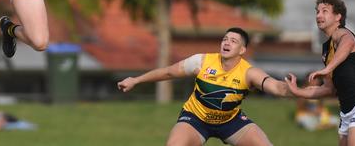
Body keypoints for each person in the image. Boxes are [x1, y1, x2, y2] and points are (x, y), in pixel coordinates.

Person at [117, 27, 290, 146]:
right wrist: (136, 80)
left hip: (231, 121)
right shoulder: (201, 61)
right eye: (225, 39)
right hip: (195, 119)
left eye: (233, 41)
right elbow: (169, 72)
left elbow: (277, 88)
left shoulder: (248, 72)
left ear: (242, 50)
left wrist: (303, 91)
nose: (227, 43)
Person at [286, 0, 355, 146]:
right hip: (346, 111)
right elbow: (329, 89)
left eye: (324, 11)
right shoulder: (326, 49)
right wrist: (298, 91)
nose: (319, 15)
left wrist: (328, 68)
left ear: (338, 16)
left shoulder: (343, 33)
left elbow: (348, 43)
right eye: (317, 11)